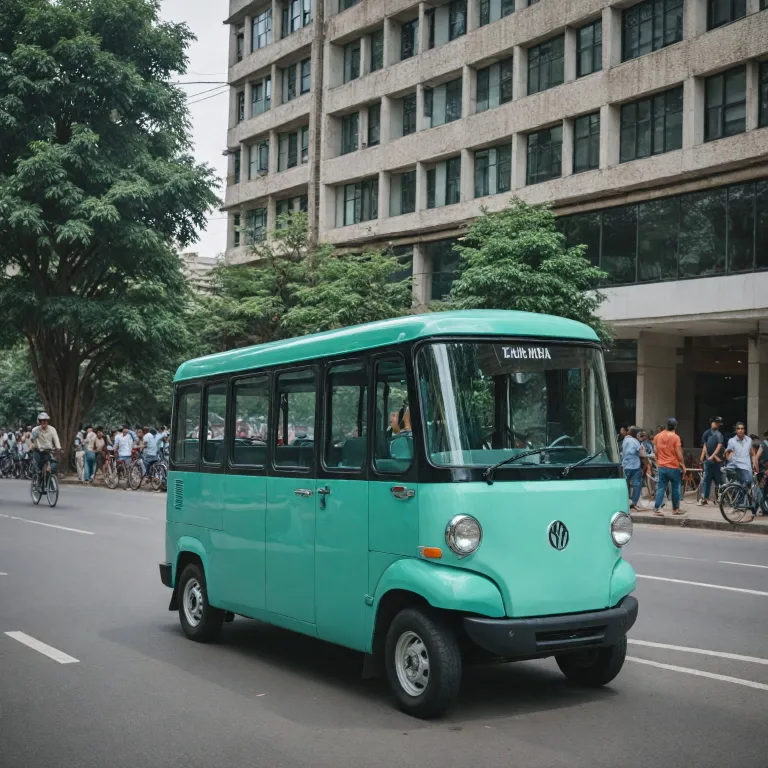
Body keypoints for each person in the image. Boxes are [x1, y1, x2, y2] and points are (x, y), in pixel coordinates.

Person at [653, 418, 686, 517]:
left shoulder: (658, 436)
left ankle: (657, 508)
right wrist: (683, 465)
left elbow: (655, 450)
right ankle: (675, 509)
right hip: (673, 466)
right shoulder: (675, 437)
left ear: (666, 425)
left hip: (662, 466)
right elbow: (679, 453)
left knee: (661, 487)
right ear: (675, 426)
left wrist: (659, 459)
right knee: (675, 488)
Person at [725, 422, 757, 517]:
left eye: (742, 428)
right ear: (736, 430)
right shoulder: (731, 441)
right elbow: (727, 453)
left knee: (748, 485)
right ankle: (740, 504)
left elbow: (752, 453)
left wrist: (755, 464)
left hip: (747, 467)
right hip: (736, 466)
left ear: (744, 430)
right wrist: (729, 458)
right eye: (738, 428)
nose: (740, 430)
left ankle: (747, 506)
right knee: (741, 485)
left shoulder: (749, 440)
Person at [698, 416, 724, 506]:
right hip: (708, 461)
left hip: (717, 461)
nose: (717, 424)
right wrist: (702, 458)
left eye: (718, 423)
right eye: (716, 422)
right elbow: (705, 446)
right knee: (706, 480)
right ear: (711, 422)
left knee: (719, 480)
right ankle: (704, 498)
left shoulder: (719, 434)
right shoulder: (706, 433)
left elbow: (719, 446)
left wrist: (714, 456)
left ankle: (720, 499)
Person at [622, 426, 646, 511]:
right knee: (637, 484)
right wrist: (643, 449)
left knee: (626, 485)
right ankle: (634, 503)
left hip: (625, 465)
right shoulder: (636, 442)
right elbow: (642, 455)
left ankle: (625, 502)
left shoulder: (625, 440)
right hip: (635, 466)